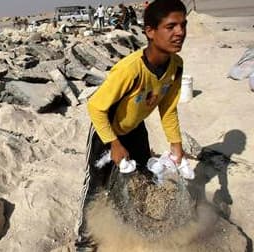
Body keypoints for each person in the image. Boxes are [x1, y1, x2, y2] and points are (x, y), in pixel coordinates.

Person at [75, 0, 188, 250]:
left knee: (141, 175)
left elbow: (168, 108)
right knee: (97, 182)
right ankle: (84, 237)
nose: (179, 32)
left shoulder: (176, 66)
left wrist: (176, 145)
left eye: (183, 25)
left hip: (135, 127)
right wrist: (114, 144)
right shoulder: (130, 69)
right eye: (170, 26)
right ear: (150, 31)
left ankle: (132, 220)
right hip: (107, 130)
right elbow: (95, 107)